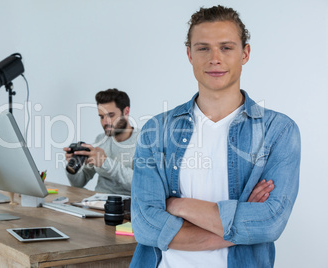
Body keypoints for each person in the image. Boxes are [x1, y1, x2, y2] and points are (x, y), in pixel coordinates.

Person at [130, 5, 300, 268]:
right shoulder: (156, 131)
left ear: (245, 53)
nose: (215, 58)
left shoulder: (278, 131)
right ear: (189, 54)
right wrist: (241, 225)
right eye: (203, 48)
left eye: (226, 47)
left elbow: (269, 223)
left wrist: (177, 205)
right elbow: (145, 227)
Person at [63, 88, 139, 195]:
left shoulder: (143, 141)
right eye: (101, 117)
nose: (105, 122)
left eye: (110, 115)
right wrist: (72, 167)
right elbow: (79, 183)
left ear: (126, 111)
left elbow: (143, 185)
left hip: (126, 206)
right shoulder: (100, 140)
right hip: (97, 203)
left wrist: (105, 162)